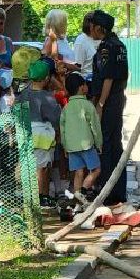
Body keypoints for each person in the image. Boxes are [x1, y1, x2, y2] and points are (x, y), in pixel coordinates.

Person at [88, 10, 130, 204]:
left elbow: (108, 77)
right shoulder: (120, 46)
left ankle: (105, 191)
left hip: (110, 100)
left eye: (91, 27)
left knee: (104, 144)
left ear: (98, 28)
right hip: (118, 98)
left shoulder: (106, 48)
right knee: (115, 144)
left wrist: (101, 104)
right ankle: (118, 190)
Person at [15, 58, 63, 206]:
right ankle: (42, 196)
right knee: (42, 168)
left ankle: (34, 195)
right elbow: (55, 118)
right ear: (47, 78)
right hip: (42, 135)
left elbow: (16, 113)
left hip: (24, 133)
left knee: (31, 165)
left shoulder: (22, 94)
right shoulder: (47, 97)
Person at [60, 71, 103, 219]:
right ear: (81, 88)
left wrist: (65, 146)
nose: (86, 86)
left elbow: (63, 129)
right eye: (84, 84)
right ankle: (83, 191)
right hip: (86, 145)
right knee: (96, 170)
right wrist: (99, 143)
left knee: (78, 172)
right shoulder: (87, 105)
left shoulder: (66, 108)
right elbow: (95, 127)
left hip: (71, 146)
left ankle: (78, 204)